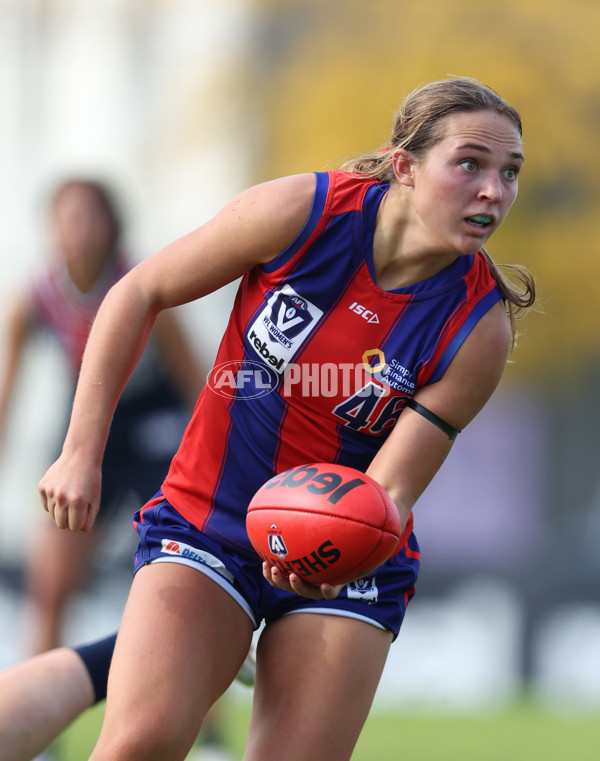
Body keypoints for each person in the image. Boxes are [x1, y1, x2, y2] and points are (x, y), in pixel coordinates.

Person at [38, 77, 535, 761]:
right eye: (470, 163)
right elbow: (138, 291)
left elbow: (386, 493)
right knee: (139, 743)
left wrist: (330, 551)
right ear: (405, 166)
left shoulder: (478, 330)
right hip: (208, 521)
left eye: (509, 173)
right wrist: (79, 450)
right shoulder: (303, 212)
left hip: (347, 562)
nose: (493, 191)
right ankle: (216, 634)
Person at [0, 179, 244, 760]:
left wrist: (220, 463)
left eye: (88, 217)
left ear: (112, 225)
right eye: (66, 218)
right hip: (87, 428)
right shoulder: (35, 297)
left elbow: (196, 383)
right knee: (50, 587)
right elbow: (7, 394)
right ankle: (44, 738)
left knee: (189, 580)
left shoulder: (141, 285)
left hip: (156, 428)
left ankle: (209, 738)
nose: (77, 230)